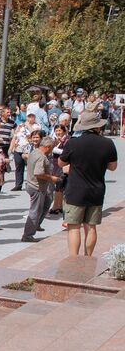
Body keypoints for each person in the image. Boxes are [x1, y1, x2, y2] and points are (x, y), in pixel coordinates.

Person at [59, 107, 118, 256]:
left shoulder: (73, 143)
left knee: (74, 227)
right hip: (96, 189)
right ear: (97, 126)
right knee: (91, 227)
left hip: (75, 190)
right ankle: (88, 257)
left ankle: (73, 258)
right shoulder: (108, 143)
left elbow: (60, 163)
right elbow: (113, 167)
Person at [21, 129, 54, 242]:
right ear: (48, 147)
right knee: (35, 211)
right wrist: (51, 178)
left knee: (45, 205)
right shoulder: (41, 156)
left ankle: (35, 226)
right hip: (37, 187)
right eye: (52, 147)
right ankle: (28, 235)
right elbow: (39, 173)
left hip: (35, 186)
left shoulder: (34, 152)